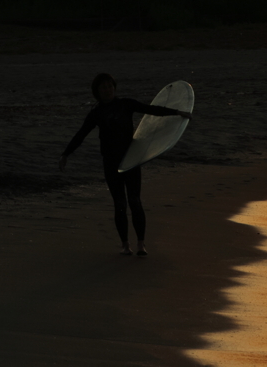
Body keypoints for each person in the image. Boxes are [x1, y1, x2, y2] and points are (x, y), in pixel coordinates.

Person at [59, 73, 192, 256]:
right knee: (120, 203)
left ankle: (141, 244)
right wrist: (66, 153)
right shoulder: (96, 113)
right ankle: (125, 244)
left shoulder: (126, 104)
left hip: (131, 160)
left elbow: (151, 110)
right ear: (97, 92)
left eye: (110, 86)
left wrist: (177, 112)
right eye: (103, 87)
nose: (108, 90)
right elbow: (81, 134)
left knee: (135, 201)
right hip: (111, 163)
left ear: (114, 87)